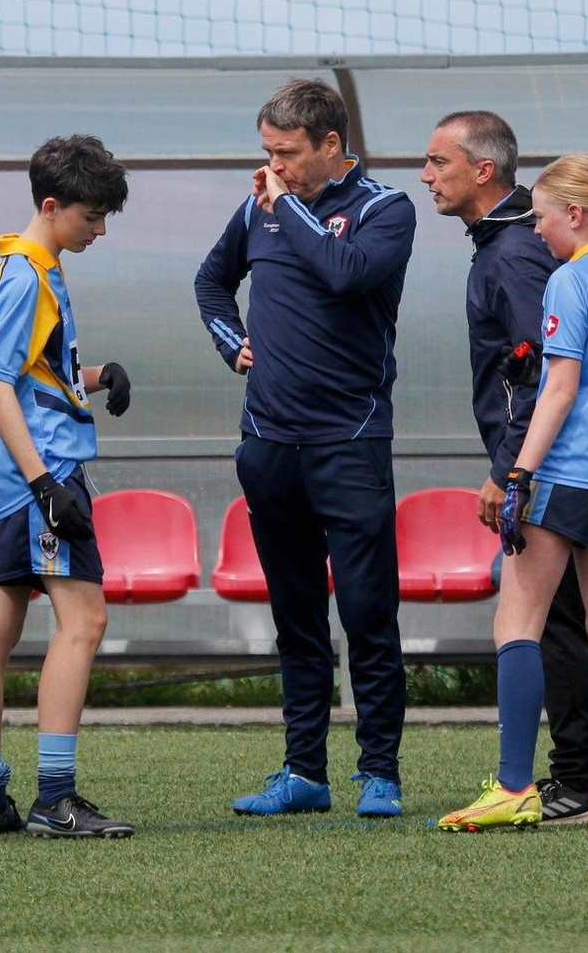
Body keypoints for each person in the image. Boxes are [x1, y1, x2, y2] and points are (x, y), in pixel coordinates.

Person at [195, 79, 415, 819]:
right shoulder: (256, 211)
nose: (274, 167)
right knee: (296, 616)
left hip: (349, 444)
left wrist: (284, 205)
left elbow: (345, 273)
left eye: (287, 154)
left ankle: (379, 771)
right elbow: (211, 283)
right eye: (268, 153)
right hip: (269, 445)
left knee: (367, 612)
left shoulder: (387, 209)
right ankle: (303, 771)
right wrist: (234, 345)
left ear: (330, 145)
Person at [439, 154, 588, 832]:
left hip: (565, 475)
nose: (534, 232)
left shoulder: (571, 279)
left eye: (539, 217)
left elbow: (557, 389)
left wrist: (518, 475)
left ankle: (513, 786)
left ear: (575, 214)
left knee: (517, 622)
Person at [421, 109, 588, 825]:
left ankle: (575, 778)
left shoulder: (517, 250)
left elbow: (539, 372)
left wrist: (508, 468)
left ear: (483, 170)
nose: (427, 176)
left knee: (552, 621)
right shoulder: (510, 238)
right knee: (586, 620)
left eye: (438, 162)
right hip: (554, 460)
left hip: (546, 463)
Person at [0, 135, 135, 838]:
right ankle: (54, 796)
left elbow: (28, 371)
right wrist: (44, 484)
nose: (99, 230)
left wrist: (94, 377)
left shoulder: (24, 265)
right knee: (85, 620)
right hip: (38, 474)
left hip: (0, 477)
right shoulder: (30, 274)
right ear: (51, 204)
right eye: (91, 216)